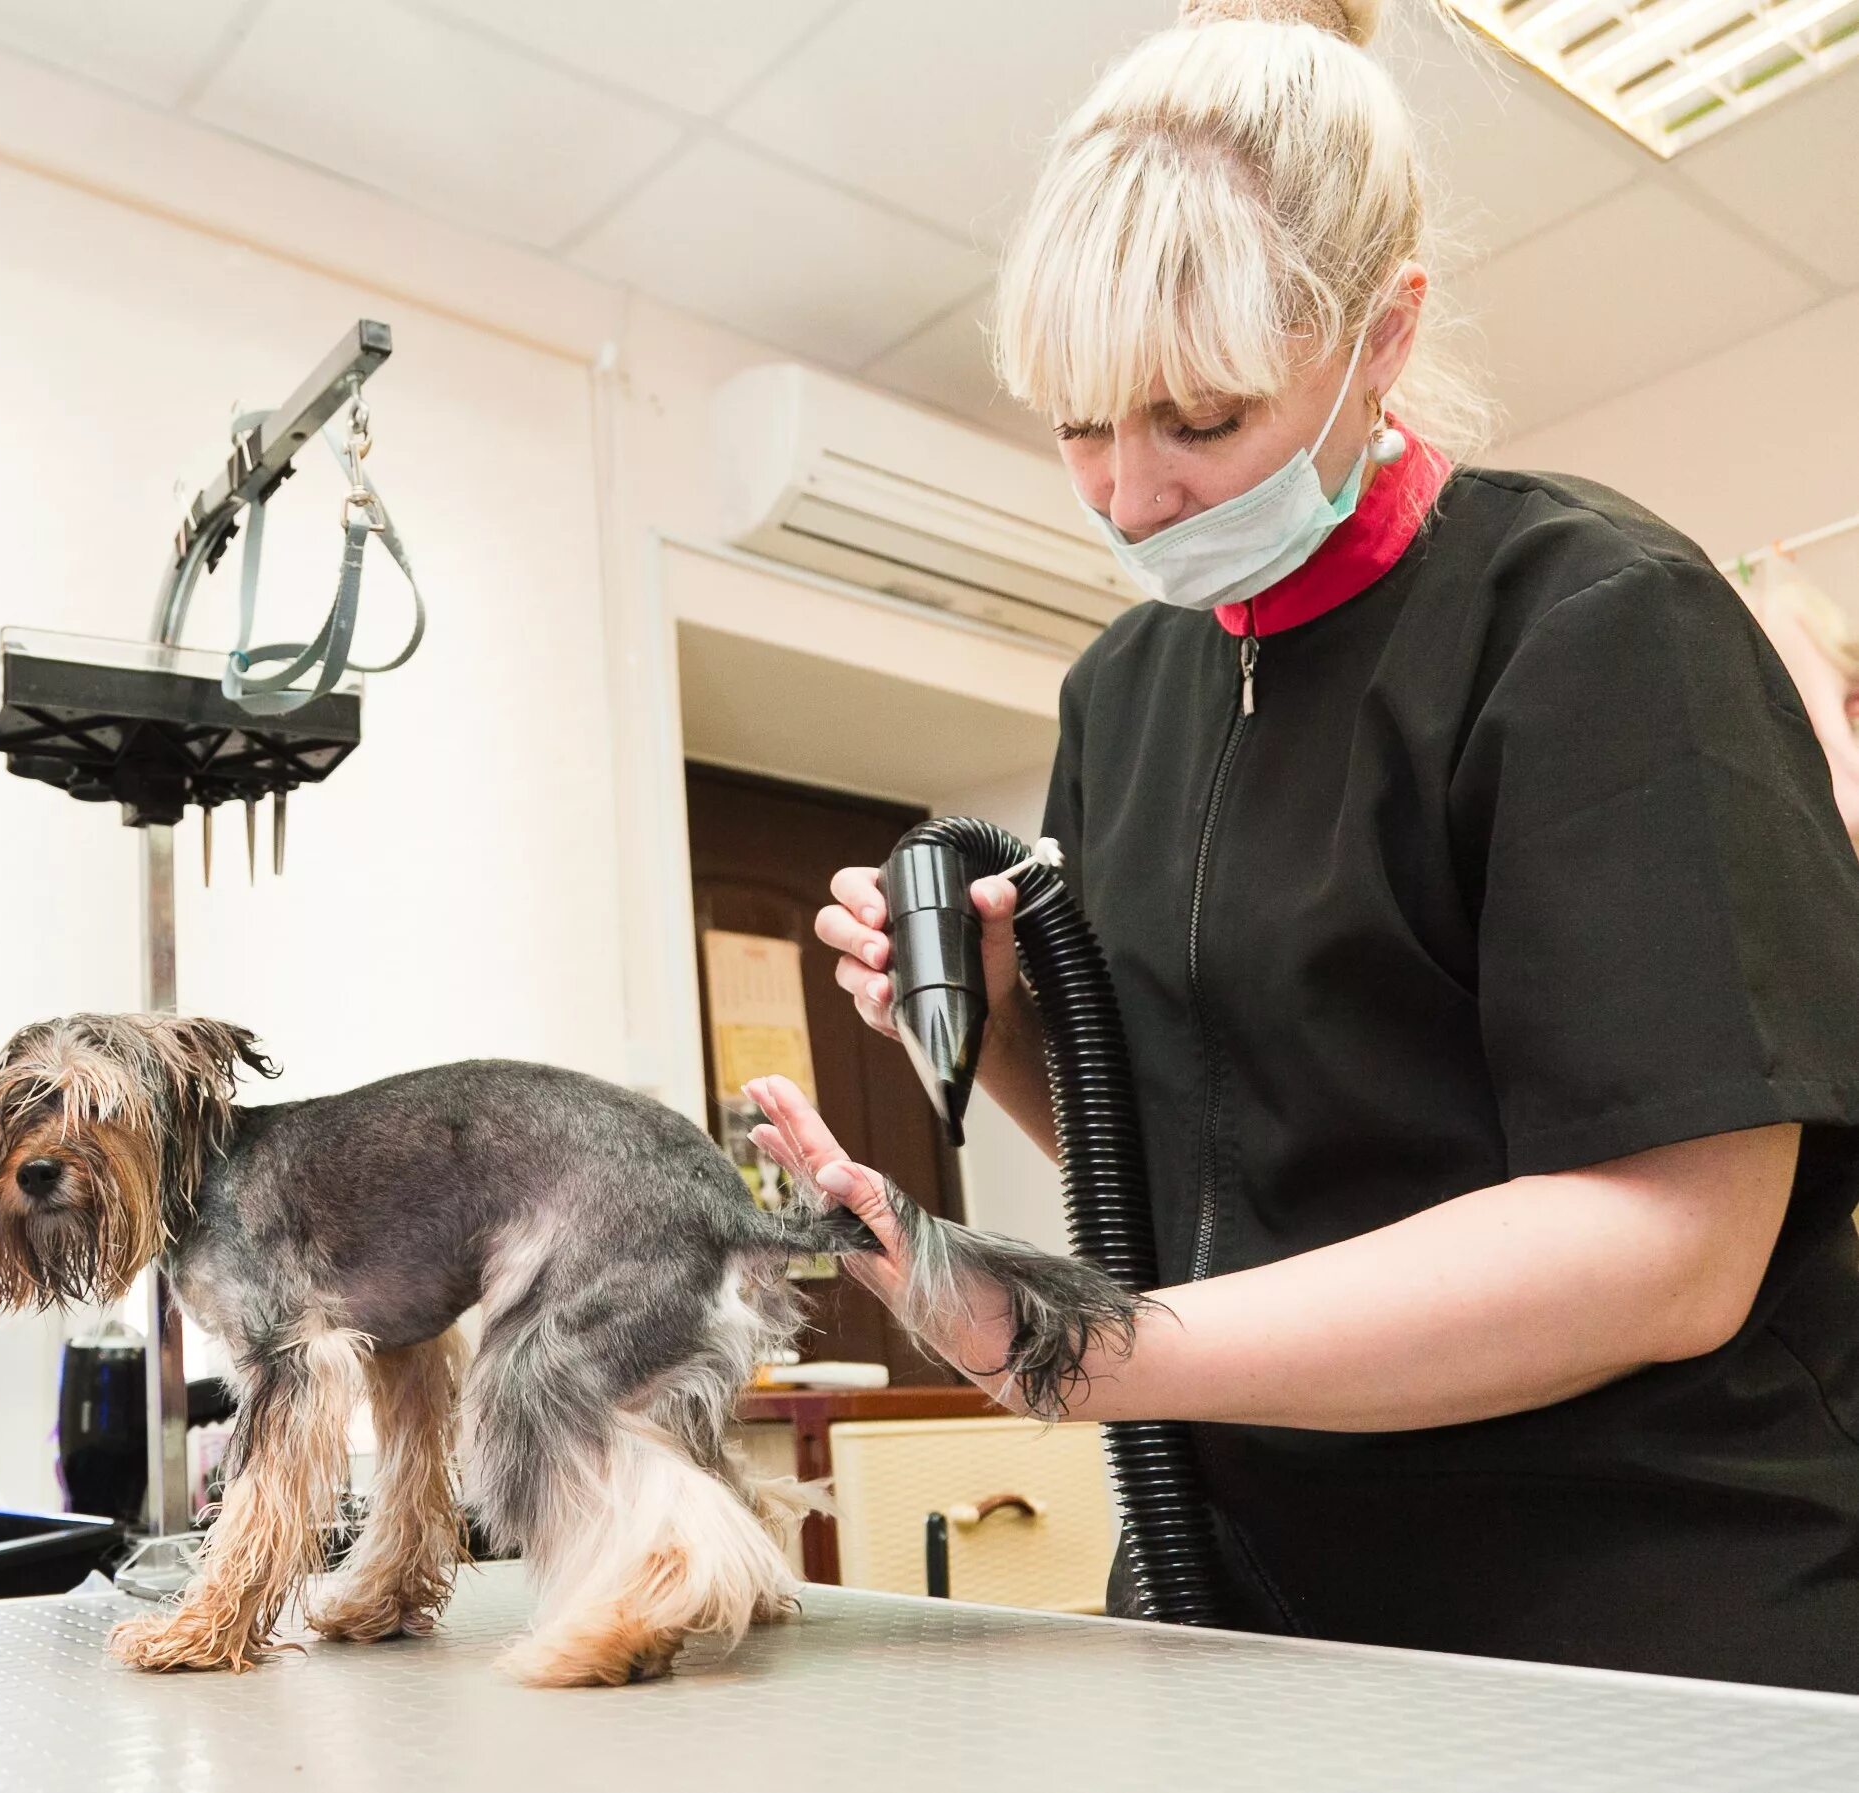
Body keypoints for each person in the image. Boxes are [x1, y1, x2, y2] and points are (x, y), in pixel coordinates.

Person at [746, 0, 1859, 1694]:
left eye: (1197, 420)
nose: (1125, 498)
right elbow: (1190, 1136)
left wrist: (1089, 1346)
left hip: (1625, 1586)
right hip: (1246, 1564)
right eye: (1075, 423)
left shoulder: (1595, 623)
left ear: (1382, 336)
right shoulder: (1119, 694)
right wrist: (1000, 1018)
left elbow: (1675, 1246)